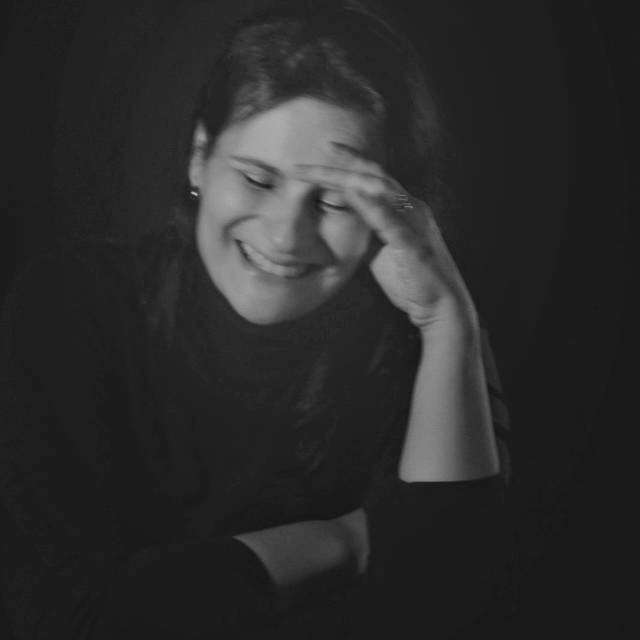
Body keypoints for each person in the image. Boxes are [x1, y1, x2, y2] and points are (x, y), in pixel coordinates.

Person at [0, 1, 512, 638]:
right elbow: (74, 622)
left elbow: (457, 601)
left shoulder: (427, 343)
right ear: (200, 158)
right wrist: (348, 541)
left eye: (333, 201)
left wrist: (446, 321)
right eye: (257, 180)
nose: (285, 234)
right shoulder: (70, 305)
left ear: (391, 214)